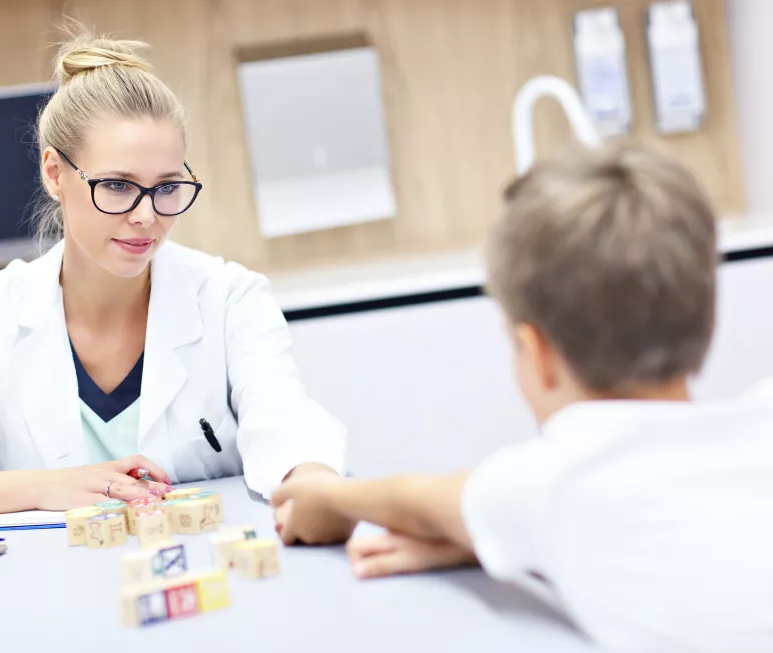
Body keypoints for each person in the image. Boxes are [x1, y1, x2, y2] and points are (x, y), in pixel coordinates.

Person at [0, 28, 349, 538]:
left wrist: (317, 485)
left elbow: (287, 427)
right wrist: (41, 488)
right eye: (119, 186)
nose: (147, 216)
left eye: (167, 187)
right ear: (55, 174)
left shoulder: (229, 298)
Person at [272, 145, 773, 652]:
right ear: (706, 315)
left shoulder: (548, 486)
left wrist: (328, 497)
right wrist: (506, 540)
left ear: (538, 355)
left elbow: (417, 500)